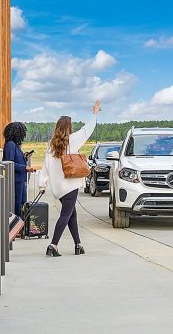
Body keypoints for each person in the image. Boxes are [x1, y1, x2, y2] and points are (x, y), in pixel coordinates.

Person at [38, 100, 101, 257]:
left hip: (58, 188)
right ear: (69, 128)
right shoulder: (72, 140)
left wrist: (42, 184)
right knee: (66, 215)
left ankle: (78, 245)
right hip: (70, 185)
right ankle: (53, 245)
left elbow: (45, 166)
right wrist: (94, 114)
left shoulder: (51, 145)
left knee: (72, 214)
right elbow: (88, 130)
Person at [2, 122, 35, 217]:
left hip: (20, 180)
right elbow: (9, 163)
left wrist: (24, 156)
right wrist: (25, 167)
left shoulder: (15, 145)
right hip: (15, 180)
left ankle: (21, 225)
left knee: (22, 204)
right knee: (17, 205)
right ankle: (17, 226)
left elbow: (15, 159)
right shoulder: (10, 145)